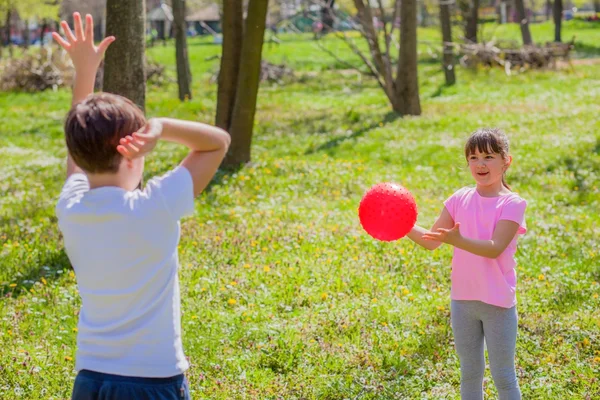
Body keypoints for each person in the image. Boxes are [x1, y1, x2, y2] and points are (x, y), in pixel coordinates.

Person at [53, 12, 230, 399]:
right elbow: (217, 142)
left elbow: (76, 157)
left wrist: (84, 72)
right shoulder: (156, 207)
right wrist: (162, 127)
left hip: (90, 379)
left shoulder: (72, 207)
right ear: (133, 154)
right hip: (152, 382)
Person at [407, 128, 527, 400]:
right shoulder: (459, 198)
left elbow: (495, 248)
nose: (480, 164)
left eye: (488, 156)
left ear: (506, 161)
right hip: (462, 302)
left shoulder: (512, 204)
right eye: (473, 158)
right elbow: (431, 240)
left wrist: (458, 240)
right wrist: (401, 225)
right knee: (470, 374)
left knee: (504, 376)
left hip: (497, 303)